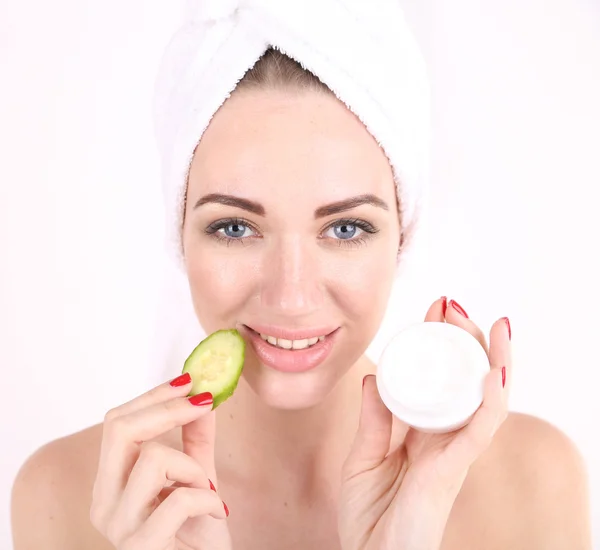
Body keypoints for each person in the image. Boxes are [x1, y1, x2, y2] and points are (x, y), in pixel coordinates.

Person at [11, 3, 591, 550]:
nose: (290, 296)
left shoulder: (532, 486)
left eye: (345, 229)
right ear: (178, 236)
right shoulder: (64, 496)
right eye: (235, 228)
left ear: (403, 239)